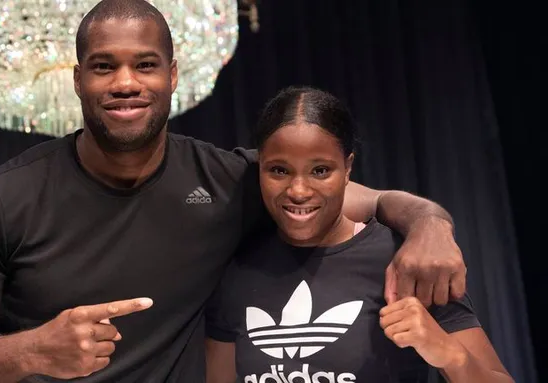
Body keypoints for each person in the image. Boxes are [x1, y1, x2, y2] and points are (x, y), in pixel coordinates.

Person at [0, 1, 466, 382]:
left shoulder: (231, 180)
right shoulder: (0, 198)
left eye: (144, 64)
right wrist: (30, 350)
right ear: (76, 80)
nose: (125, 83)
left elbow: (365, 198)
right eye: (103, 66)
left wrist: (430, 224)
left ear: (172, 73)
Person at [204, 86, 513, 383]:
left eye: (321, 170)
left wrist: (448, 354)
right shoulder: (238, 272)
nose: (298, 190)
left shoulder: (402, 262)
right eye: (279, 170)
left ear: (348, 167)